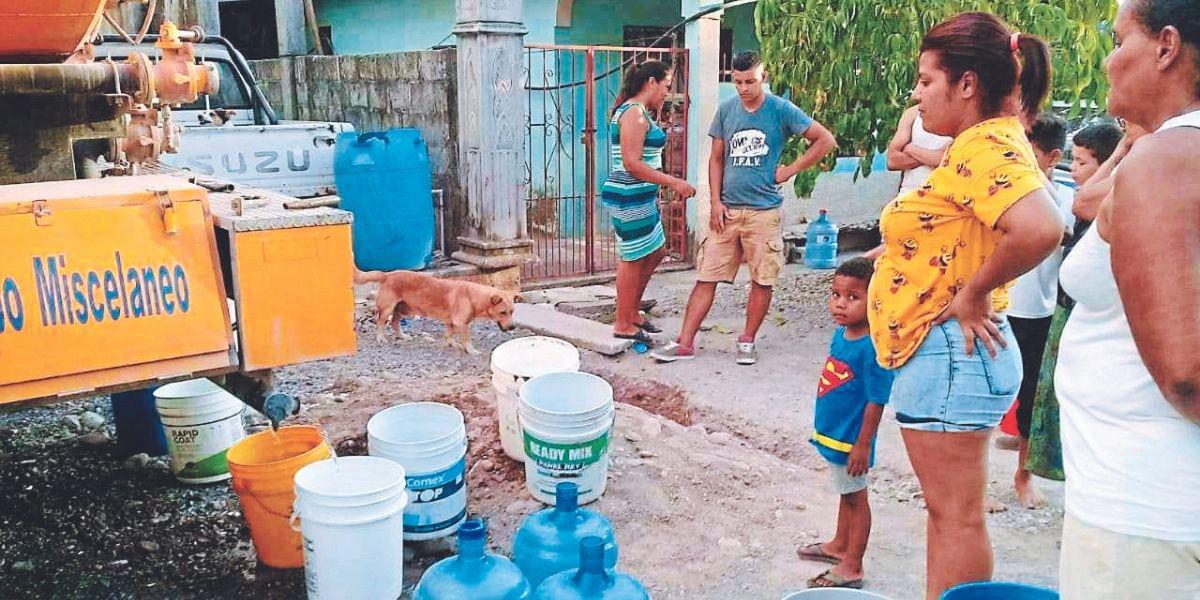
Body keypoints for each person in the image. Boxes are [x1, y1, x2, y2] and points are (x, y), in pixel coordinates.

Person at [868, 13, 1063, 598]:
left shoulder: (985, 146)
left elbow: (1041, 227)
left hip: (953, 357)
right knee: (948, 513)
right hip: (949, 358)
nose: (917, 94)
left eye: (926, 80)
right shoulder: (975, 147)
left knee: (956, 515)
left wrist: (973, 292)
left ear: (967, 84)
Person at [1056, 0, 1200, 597]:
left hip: (1146, 514)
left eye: (1118, 41)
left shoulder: (1171, 159)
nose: (1110, 61)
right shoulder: (1162, 153)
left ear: (1166, 47)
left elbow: (1188, 375)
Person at [651, 51, 836, 365]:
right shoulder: (726, 111)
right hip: (727, 212)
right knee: (706, 276)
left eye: (749, 81)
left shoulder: (780, 109)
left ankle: (747, 340)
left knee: (762, 279)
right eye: (737, 81)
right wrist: (715, 202)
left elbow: (825, 140)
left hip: (764, 212)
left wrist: (789, 170)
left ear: (762, 77)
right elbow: (716, 159)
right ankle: (684, 342)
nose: (743, 88)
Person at [796, 258, 894, 590]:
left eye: (853, 297)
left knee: (856, 498)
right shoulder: (842, 334)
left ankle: (852, 565)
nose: (840, 303)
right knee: (845, 494)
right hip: (833, 435)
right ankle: (840, 545)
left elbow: (876, 400)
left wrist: (863, 445)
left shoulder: (874, 347)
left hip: (852, 441)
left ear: (875, 300)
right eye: (836, 294)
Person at [1000, 113, 1074, 510]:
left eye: (1028, 152)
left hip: (1035, 309)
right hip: (997, 303)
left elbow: (1060, 229)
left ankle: (1022, 474)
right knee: (988, 391)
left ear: (1051, 156)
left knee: (1030, 391)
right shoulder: (1003, 186)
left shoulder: (1062, 193)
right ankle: (976, 480)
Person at [600, 60, 696, 344]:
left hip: (642, 193)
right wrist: (674, 182)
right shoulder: (633, 114)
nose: (668, 92)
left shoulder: (639, 112)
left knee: (654, 252)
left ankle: (632, 312)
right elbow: (632, 163)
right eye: (666, 86)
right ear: (651, 82)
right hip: (630, 193)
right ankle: (623, 322)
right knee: (632, 257)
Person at [888, 104, 953, 196]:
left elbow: (951, 160)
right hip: (908, 197)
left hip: (944, 199)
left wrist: (911, 149)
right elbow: (892, 161)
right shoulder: (912, 113)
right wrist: (933, 156)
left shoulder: (963, 115)